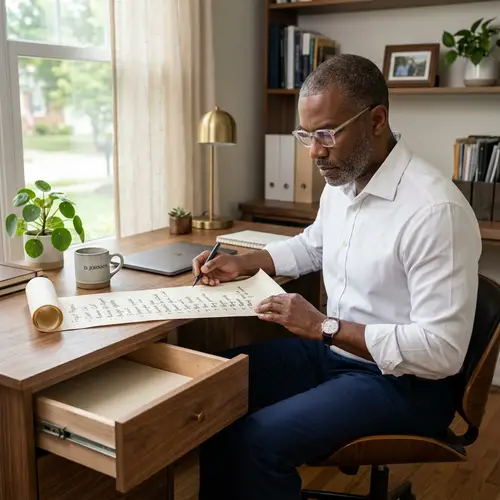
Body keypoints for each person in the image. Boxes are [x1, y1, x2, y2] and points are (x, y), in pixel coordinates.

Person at [192, 53, 482, 500]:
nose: (314, 151)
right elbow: (314, 244)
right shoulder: (343, 183)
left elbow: (441, 353)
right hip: (335, 356)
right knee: (207, 390)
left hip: (406, 384)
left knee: (258, 442)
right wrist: (247, 260)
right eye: (306, 135)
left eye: (326, 133)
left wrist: (323, 326)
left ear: (377, 120)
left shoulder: (433, 211)